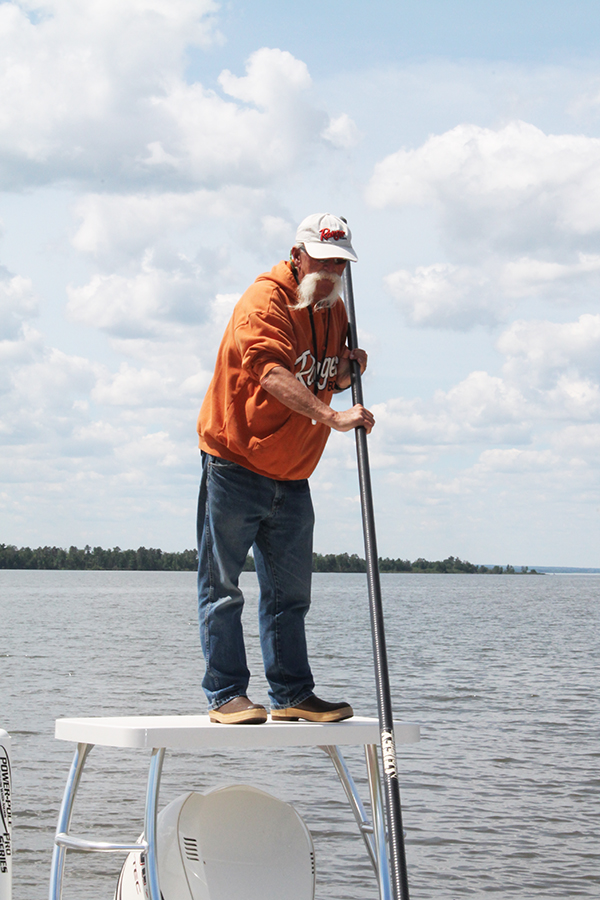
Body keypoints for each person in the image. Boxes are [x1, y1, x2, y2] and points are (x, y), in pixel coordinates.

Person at [196, 213, 375, 725]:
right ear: (297, 256)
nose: (332, 270)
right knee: (223, 586)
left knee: (290, 594)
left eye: (340, 263)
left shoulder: (332, 307)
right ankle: (226, 694)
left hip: (294, 474)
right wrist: (332, 416)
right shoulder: (265, 301)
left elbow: (319, 371)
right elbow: (273, 372)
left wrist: (347, 371)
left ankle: (293, 693)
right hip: (235, 462)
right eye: (323, 260)